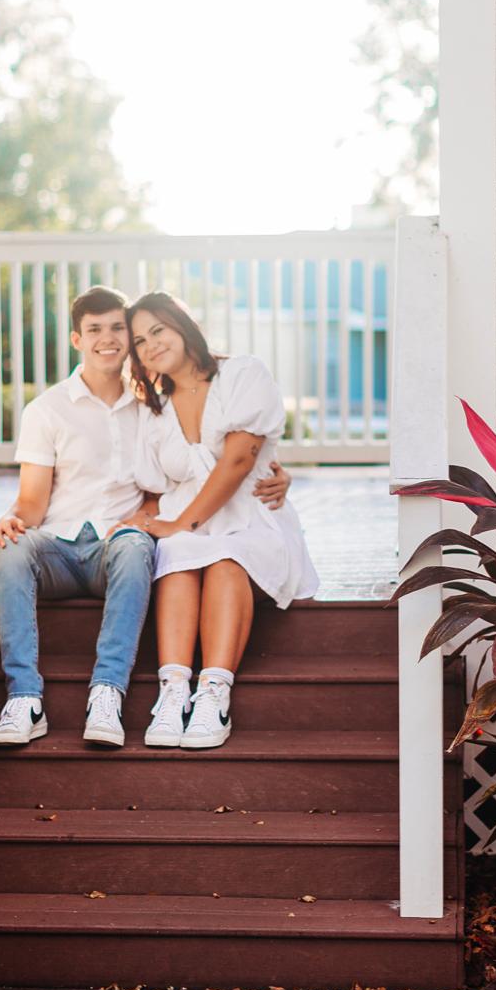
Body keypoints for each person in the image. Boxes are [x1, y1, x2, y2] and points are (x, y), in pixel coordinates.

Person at [0, 286, 291, 750]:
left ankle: (116, 695)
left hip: (134, 541)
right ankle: (26, 699)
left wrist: (271, 472)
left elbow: (211, 467)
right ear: (77, 339)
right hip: (65, 543)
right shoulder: (54, 409)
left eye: (120, 329)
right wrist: (9, 518)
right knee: (14, 549)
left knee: (148, 546)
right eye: (96, 330)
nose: (111, 339)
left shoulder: (152, 405)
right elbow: (33, 501)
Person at [127, 291, 318, 751]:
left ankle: (214, 694)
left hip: (251, 518)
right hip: (186, 522)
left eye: (158, 330)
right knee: (176, 558)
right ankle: (174, 691)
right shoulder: (154, 409)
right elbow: (154, 489)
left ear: (182, 324)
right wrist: (144, 522)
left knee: (225, 558)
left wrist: (182, 523)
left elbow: (238, 461)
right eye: (140, 341)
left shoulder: (242, 374)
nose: (151, 344)